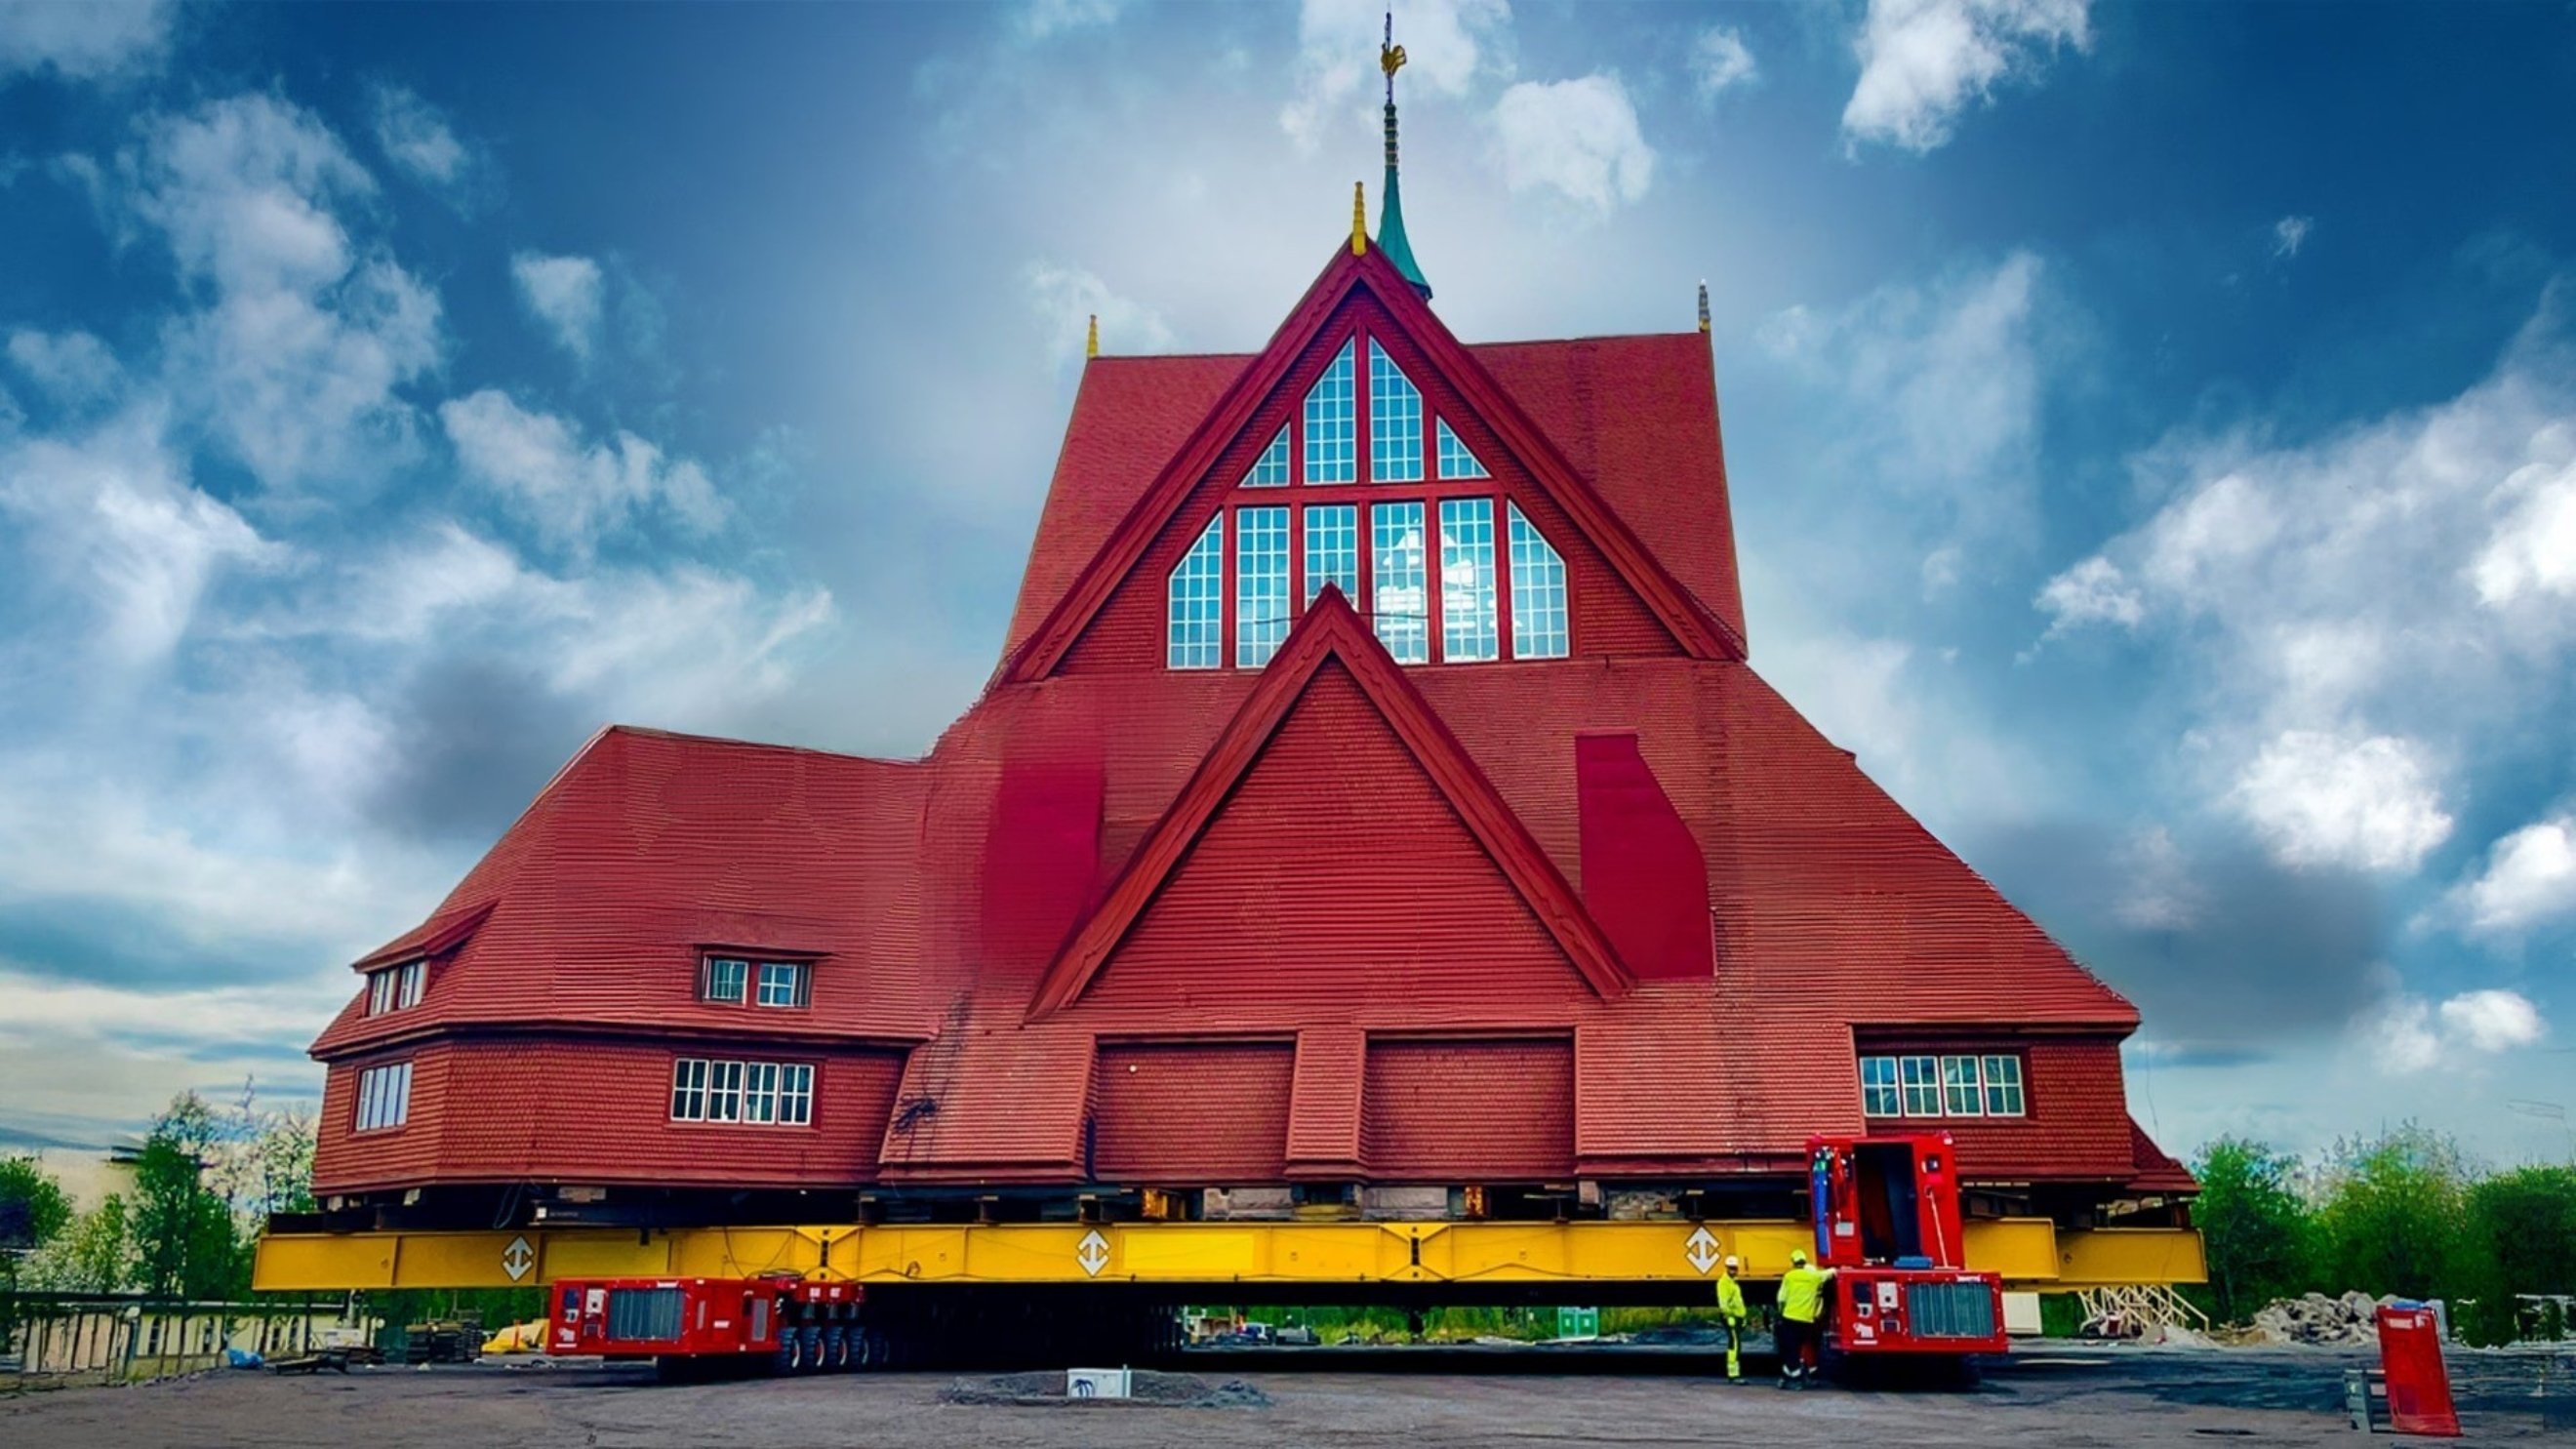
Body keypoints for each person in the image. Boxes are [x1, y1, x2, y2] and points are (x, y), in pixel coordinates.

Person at [1774, 1248, 1836, 1389]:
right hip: (1806, 1321)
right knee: (1797, 1349)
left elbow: (1781, 1298)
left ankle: (1795, 1379)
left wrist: (1780, 1313)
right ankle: (1786, 1377)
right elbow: (1829, 1273)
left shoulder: (1789, 1276)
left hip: (1790, 1317)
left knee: (1791, 1350)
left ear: (1793, 1262)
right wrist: (1837, 1269)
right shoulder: (1814, 1277)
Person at [1714, 1255, 1749, 1382]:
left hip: (1737, 1317)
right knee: (1734, 1344)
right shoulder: (1724, 1283)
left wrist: (1743, 1317)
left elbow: (1738, 1302)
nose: (1733, 1270)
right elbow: (1723, 1302)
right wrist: (1729, 1316)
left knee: (1736, 1344)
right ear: (1726, 1268)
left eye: (1734, 1268)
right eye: (1730, 1268)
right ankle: (1733, 1374)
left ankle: (1735, 1372)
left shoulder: (1733, 1282)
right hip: (1731, 1317)